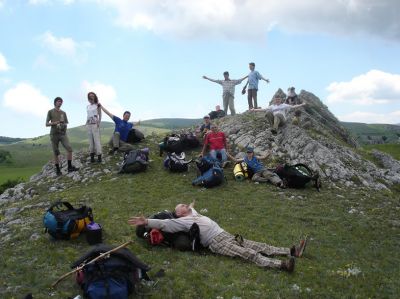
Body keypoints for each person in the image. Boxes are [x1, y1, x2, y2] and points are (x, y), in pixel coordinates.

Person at [128, 201, 308, 272]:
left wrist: (190, 205)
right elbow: (164, 224)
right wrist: (147, 222)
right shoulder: (182, 222)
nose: (185, 204)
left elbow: (191, 205)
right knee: (248, 254)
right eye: (181, 206)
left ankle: (291, 251)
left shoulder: (193, 213)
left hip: (224, 234)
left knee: (257, 245)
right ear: (180, 213)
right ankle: (283, 265)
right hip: (215, 242)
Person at [45, 97, 79, 175]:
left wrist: (63, 125)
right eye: (58, 101)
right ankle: (57, 170)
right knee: (56, 152)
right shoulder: (50, 112)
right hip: (54, 134)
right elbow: (46, 124)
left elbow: (66, 123)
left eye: (61, 102)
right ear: (55, 103)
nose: (60, 103)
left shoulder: (63, 113)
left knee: (69, 149)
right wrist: (55, 122)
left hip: (62, 134)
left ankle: (70, 167)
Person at [86, 92, 102, 163]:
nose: (91, 97)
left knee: (96, 140)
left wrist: (99, 122)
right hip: (88, 124)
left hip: (95, 124)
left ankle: (99, 157)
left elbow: (100, 114)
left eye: (92, 96)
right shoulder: (87, 106)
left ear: (95, 97)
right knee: (90, 141)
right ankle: (92, 158)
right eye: (90, 96)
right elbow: (88, 115)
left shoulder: (97, 105)